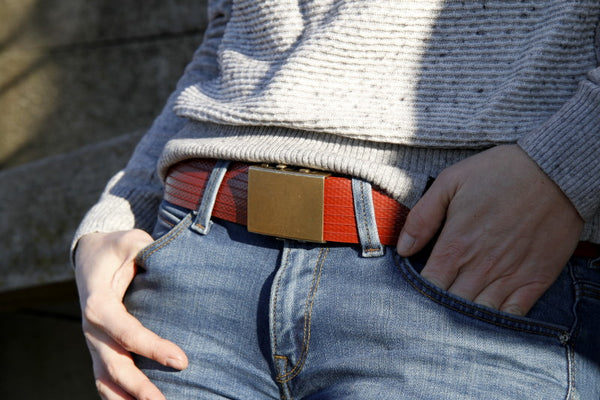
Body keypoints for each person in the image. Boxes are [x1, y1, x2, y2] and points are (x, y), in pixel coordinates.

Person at [73, 1, 600, 399]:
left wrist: (567, 161)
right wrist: (120, 210)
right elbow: (228, 35)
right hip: (195, 274)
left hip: (460, 275)